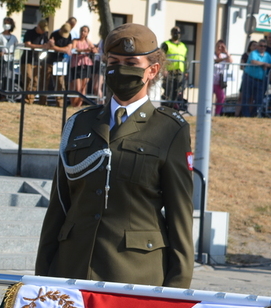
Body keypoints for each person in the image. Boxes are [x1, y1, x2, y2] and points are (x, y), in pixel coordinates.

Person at [34, 23, 194, 288]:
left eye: (131, 62)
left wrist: (176, 291)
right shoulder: (80, 124)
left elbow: (180, 215)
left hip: (135, 275)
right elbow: (59, 205)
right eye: (114, 61)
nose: (120, 69)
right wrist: (43, 276)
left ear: (152, 70)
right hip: (72, 268)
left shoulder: (169, 129)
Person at [243, 40, 271, 117]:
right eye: (261, 45)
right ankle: (246, 115)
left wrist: (267, 65)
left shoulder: (267, 55)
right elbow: (253, 61)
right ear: (257, 46)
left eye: (264, 46)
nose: (262, 47)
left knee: (259, 99)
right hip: (249, 77)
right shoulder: (253, 53)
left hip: (261, 80)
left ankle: (253, 115)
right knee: (246, 97)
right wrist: (264, 64)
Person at [22, 19, 50, 104]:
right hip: (27, 59)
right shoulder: (29, 32)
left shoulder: (44, 35)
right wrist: (41, 46)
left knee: (35, 80)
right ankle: (26, 99)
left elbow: (47, 44)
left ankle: (31, 99)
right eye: (42, 29)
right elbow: (28, 44)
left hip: (38, 61)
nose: (43, 32)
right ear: (38, 27)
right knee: (29, 78)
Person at [161, 26, 188, 108]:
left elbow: (185, 59)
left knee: (178, 91)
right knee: (168, 91)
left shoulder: (183, 46)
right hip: (169, 72)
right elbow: (161, 58)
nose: (177, 34)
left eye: (178, 33)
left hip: (180, 72)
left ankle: (174, 109)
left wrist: (186, 71)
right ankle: (165, 108)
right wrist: (163, 70)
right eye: (175, 32)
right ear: (171, 33)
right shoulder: (166, 44)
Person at [0, 17, 19, 94]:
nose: (6, 25)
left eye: (8, 23)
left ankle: (8, 93)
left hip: (10, 58)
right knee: (1, 76)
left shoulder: (14, 37)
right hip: (1, 59)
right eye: (5, 23)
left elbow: (16, 47)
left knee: (9, 77)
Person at [69, 25, 94, 106]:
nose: (83, 33)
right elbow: (73, 49)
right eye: (82, 31)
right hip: (77, 65)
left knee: (84, 86)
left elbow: (94, 49)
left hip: (86, 65)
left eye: (85, 31)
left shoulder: (88, 42)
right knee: (77, 87)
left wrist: (93, 49)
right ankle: (74, 104)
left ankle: (79, 105)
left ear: (87, 33)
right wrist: (85, 50)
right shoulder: (75, 41)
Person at [49, 24, 74, 103]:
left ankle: (60, 102)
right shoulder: (54, 34)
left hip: (60, 61)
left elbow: (69, 47)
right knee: (45, 81)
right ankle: (42, 100)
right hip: (50, 60)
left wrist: (58, 49)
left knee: (60, 82)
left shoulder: (69, 35)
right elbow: (51, 46)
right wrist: (63, 49)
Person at [213, 40, 232, 116]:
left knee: (221, 97)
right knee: (208, 98)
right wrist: (224, 58)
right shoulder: (212, 54)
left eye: (222, 47)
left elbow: (231, 61)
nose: (220, 48)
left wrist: (226, 52)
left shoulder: (224, 56)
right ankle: (206, 112)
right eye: (218, 46)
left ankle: (217, 113)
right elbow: (215, 61)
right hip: (210, 81)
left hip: (219, 82)